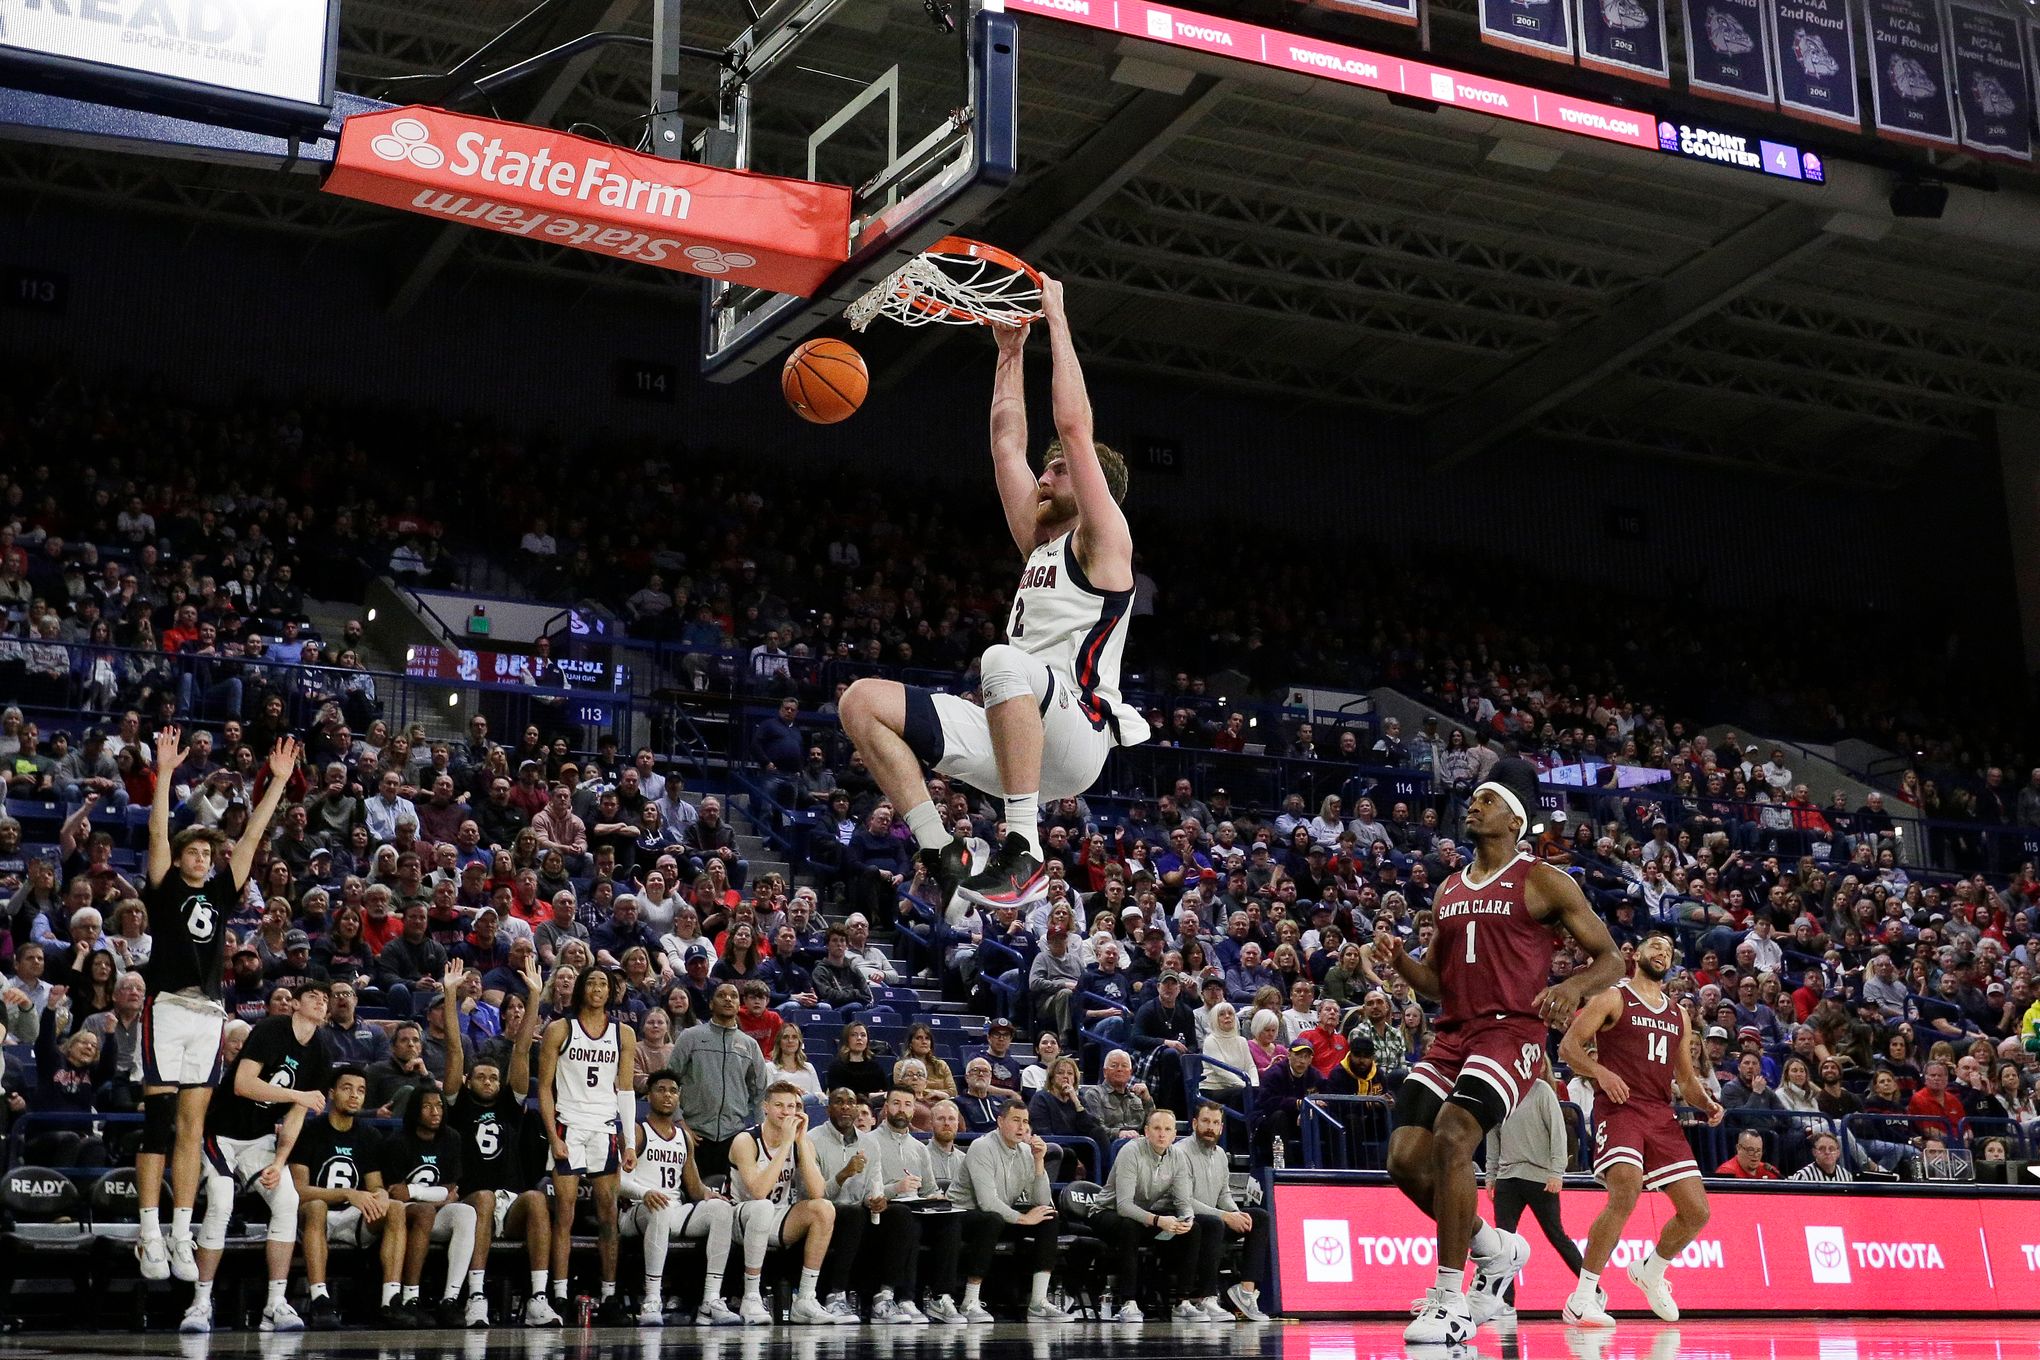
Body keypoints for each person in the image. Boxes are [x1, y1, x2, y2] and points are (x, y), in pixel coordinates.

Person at [836, 278, 1148, 912]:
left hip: (1076, 732)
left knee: (1002, 659)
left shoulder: (1107, 537)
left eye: (1057, 468)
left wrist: (1057, 319)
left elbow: (1074, 427)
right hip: (1016, 731)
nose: (1046, 471)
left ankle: (1024, 851)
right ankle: (940, 853)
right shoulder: (1039, 542)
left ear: (1090, 487)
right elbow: (1006, 443)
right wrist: (1009, 351)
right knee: (861, 703)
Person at [1377, 758, 1624, 1344]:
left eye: (1485, 800)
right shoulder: (1449, 887)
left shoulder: (1543, 880)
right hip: (1452, 1033)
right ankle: (1496, 1249)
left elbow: (1612, 958)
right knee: (1405, 1160)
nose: (1472, 806)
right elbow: (1436, 984)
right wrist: (1399, 963)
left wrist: (1570, 987)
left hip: (1510, 1034)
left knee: (1455, 1136)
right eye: (1472, 800)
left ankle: (1450, 1298)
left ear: (1513, 818)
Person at [138, 728, 301, 1284]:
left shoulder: (220, 892)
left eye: (207, 852)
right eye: (195, 850)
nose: (202, 857)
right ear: (180, 857)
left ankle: (181, 1233)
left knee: (191, 1125)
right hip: (166, 1007)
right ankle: (149, 1233)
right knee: (157, 1123)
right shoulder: (163, 889)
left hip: (208, 1013)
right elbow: (158, 831)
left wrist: (275, 784)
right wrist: (163, 774)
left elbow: (251, 839)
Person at [1557, 930, 1723, 1326]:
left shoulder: (1678, 1014)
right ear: (1636, 954)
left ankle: (1651, 1271)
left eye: (1668, 949)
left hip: (1660, 1114)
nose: (1662, 951)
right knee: (1626, 1191)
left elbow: (1685, 1078)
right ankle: (1583, 1297)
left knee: (1697, 1211)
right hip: (1620, 1109)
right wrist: (1601, 1072)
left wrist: (1706, 1105)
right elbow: (1568, 1047)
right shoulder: (1613, 997)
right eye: (1655, 945)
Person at [182, 980, 330, 1335]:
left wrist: (280, 1163)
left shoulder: (322, 1051)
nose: (321, 1002)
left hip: (260, 1139)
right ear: (295, 1004)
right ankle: (200, 1303)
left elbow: (295, 1117)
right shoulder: (269, 1030)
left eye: (326, 1000)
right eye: (313, 996)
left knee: (287, 1200)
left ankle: (275, 1304)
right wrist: (300, 1094)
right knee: (221, 1199)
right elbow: (243, 1084)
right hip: (221, 1133)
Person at [444, 954, 559, 1326]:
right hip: (471, 1203)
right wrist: (450, 996)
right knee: (484, 1197)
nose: (490, 1082)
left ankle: (538, 1298)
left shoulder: (511, 1106)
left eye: (495, 1078)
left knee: (537, 1199)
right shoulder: (458, 1105)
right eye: (482, 1077)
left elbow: (523, 1049)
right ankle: (475, 1295)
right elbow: (455, 1050)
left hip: (508, 1206)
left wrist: (535, 997)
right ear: (469, 1081)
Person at [537, 966, 639, 1325]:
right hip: (569, 1125)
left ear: (612, 992)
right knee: (563, 1214)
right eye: (592, 982)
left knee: (609, 1214)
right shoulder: (560, 1029)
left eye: (604, 984)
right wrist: (553, 1135)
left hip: (604, 1128)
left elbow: (625, 1089)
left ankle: (610, 1295)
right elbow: (544, 1089)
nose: (597, 988)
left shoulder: (622, 1033)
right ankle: (560, 1294)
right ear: (581, 989)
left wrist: (628, 1141)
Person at [619, 1071, 743, 1327]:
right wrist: (645, 1193)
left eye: (673, 1090)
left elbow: (696, 1189)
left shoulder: (683, 1137)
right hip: (637, 1210)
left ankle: (711, 1301)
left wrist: (712, 1196)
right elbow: (615, 1183)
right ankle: (652, 1299)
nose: (667, 1095)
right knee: (661, 1206)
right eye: (661, 1089)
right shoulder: (637, 1131)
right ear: (649, 1095)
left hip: (672, 1209)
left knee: (721, 1210)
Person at [291, 1065, 411, 1328]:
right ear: (332, 1093)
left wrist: (380, 1196)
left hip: (352, 1219)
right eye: (347, 1089)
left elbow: (375, 1186)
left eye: (360, 1090)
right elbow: (298, 1192)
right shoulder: (309, 1130)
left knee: (396, 1208)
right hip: (310, 1219)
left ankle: (391, 1300)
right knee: (316, 1206)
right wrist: (347, 1193)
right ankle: (319, 1299)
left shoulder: (369, 1135)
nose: (355, 1095)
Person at [728, 1080, 846, 1324]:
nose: (786, 1112)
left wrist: (801, 1142)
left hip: (777, 1216)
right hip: (739, 1218)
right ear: (766, 1108)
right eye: (779, 1105)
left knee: (824, 1210)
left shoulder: (800, 1141)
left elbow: (817, 1192)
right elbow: (759, 1191)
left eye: (792, 1106)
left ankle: (805, 1299)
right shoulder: (746, 1140)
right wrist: (784, 1145)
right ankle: (751, 1296)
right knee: (762, 1207)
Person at [949, 1097, 1073, 1322]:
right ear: (1000, 1121)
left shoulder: (1026, 1152)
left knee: (1049, 1216)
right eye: (1016, 1120)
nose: (1022, 1127)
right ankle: (970, 1301)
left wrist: (1038, 1162)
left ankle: (1038, 1302)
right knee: (992, 1219)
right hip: (961, 1216)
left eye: (1025, 1122)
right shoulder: (982, 1146)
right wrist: (1024, 1219)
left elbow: (1043, 1200)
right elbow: (987, 1203)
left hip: (999, 1214)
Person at [379, 1065, 481, 1326]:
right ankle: (410, 1297)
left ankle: (450, 1299)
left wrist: (416, 1192)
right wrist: (432, 1196)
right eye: (427, 1106)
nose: (435, 1111)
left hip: (433, 1213)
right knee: (422, 1211)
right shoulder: (397, 1142)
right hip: (404, 1219)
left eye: (439, 1106)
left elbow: (451, 1192)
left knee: (467, 1212)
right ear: (415, 1110)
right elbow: (396, 1196)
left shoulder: (451, 1138)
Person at [1481, 1078, 1586, 1318]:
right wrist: (1490, 1175)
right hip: (1507, 1176)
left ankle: (1592, 1290)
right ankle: (1506, 1303)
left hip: (1540, 1177)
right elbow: (1493, 1134)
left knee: (1557, 1236)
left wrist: (1557, 1172)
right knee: (1504, 1243)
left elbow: (1558, 1131)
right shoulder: (1502, 1092)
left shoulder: (1542, 1090)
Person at [1099, 1106, 1211, 1323]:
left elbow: (1183, 1200)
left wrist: (1186, 1219)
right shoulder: (1131, 1151)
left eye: (1167, 1129)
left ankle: (1182, 1302)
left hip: (1143, 1217)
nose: (1162, 1134)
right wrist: (1159, 1221)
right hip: (1107, 1213)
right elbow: (1123, 1206)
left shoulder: (1177, 1156)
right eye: (1157, 1128)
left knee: (1193, 1229)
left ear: (1174, 1134)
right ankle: (1128, 1302)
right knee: (1129, 1226)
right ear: (1146, 1131)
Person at [1175, 1100, 1270, 1320]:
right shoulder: (1180, 1152)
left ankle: (1245, 1292)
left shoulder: (1220, 1155)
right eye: (1206, 1121)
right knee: (1214, 1223)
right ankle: (1208, 1298)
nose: (1210, 1127)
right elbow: (1185, 1199)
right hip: (1187, 1222)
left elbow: (1223, 1194)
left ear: (1221, 1128)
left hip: (1213, 1220)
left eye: (1215, 1122)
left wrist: (1236, 1214)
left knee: (1259, 1217)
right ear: (1194, 1123)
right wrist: (1225, 1216)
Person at [668, 981, 770, 1178]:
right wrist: (679, 1122)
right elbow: (668, 1083)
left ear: (739, 1004)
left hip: (734, 1137)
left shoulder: (749, 1045)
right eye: (721, 995)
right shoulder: (691, 1037)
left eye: (733, 995)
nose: (728, 999)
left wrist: (759, 1135)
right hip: (694, 1135)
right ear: (711, 1004)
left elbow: (760, 1094)